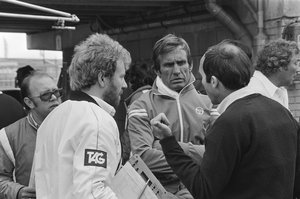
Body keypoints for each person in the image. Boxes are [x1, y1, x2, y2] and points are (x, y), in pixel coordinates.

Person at [151, 42, 300, 198]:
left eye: (202, 77)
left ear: (214, 81)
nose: (201, 82)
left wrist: (169, 143)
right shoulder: (283, 112)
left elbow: (204, 189)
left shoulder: (229, 123)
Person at [33, 33, 131, 199]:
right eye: (121, 77)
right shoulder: (98, 121)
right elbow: (92, 193)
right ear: (102, 78)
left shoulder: (53, 117)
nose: (125, 84)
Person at [127, 34, 211, 198]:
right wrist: (200, 155)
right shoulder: (141, 106)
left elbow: (218, 156)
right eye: (169, 65)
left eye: (181, 63)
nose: (177, 71)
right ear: (157, 70)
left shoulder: (209, 104)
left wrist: (163, 146)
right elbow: (144, 158)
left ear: (191, 64)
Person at [0, 71, 62, 199]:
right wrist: (18, 192)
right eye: (46, 95)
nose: (54, 98)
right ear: (29, 102)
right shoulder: (8, 136)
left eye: (56, 92)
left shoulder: (75, 127)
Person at [247, 39, 300, 109]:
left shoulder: (280, 90)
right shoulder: (253, 92)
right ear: (279, 65)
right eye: (295, 63)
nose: (298, 69)